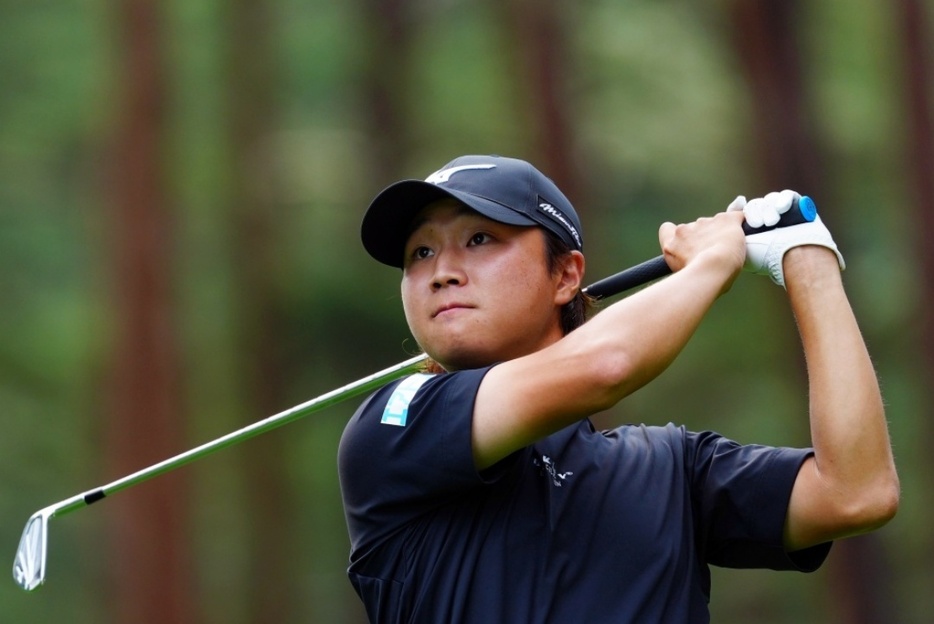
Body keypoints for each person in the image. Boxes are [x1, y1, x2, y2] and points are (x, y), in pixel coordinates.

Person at [338, 155, 899, 623]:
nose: (442, 272)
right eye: (422, 253)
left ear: (565, 276)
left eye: (479, 238)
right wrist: (709, 265)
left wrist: (807, 261)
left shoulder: (672, 467)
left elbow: (857, 492)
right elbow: (605, 365)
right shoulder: (395, 421)